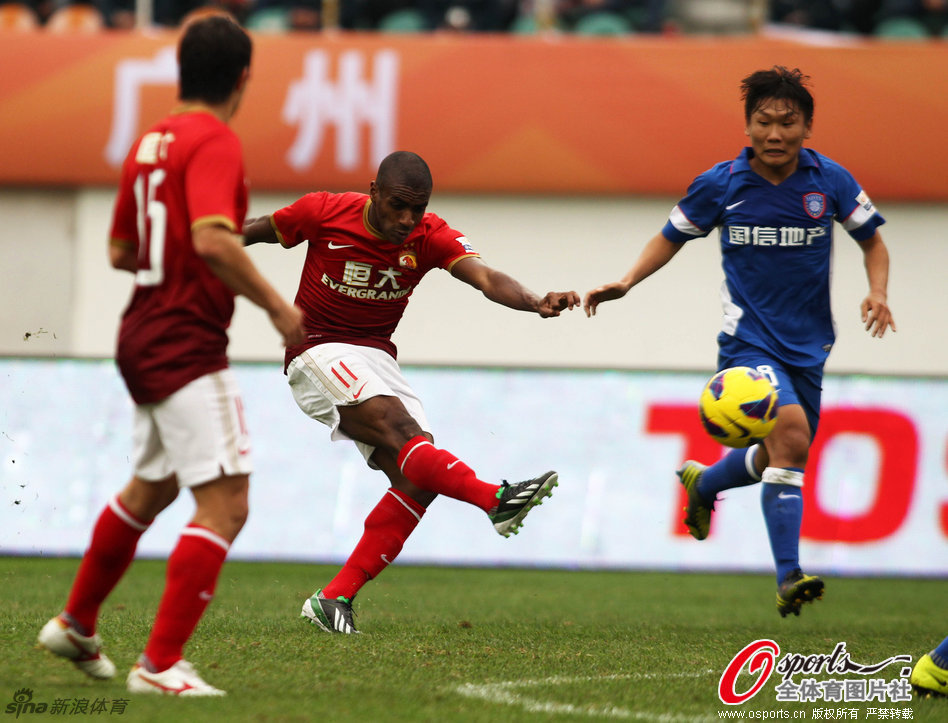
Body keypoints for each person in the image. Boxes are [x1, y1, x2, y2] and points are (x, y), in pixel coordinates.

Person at [37, 14, 304, 696]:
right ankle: (158, 666)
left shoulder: (149, 141)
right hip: (186, 339)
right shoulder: (213, 140)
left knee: (150, 487)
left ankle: (76, 621)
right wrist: (278, 308)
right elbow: (215, 239)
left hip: (142, 331)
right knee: (227, 504)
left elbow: (122, 252)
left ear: (180, 69)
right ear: (243, 77)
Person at [583, 66, 895, 618]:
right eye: (763, 122)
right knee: (793, 439)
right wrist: (627, 281)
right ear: (747, 126)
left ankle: (703, 483)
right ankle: (788, 576)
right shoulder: (722, 184)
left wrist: (877, 292)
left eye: (787, 122)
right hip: (747, 342)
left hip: (811, 345)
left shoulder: (831, 181)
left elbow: (873, 243)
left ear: (807, 128)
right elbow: (671, 236)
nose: (775, 134)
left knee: (780, 452)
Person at [243, 150, 579, 633]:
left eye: (416, 209)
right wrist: (201, 243)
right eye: (397, 205)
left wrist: (533, 300)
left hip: (377, 358)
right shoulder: (324, 211)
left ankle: (334, 598)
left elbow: (485, 277)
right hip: (316, 350)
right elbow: (253, 230)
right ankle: (494, 499)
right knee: (404, 434)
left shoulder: (429, 235)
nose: (406, 219)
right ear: (373, 191)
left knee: (419, 475)